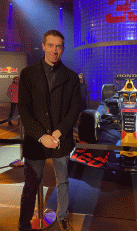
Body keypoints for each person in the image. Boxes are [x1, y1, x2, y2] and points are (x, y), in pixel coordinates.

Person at [18, 30, 81, 231]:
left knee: (62, 181)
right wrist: (41, 136)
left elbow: (74, 108)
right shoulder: (28, 74)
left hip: (60, 139)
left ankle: (62, 217)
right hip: (36, 140)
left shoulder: (71, 77)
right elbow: (24, 109)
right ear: (44, 46)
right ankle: (24, 223)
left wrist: (59, 131)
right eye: (51, 45)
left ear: (63, 49)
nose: (55, 50)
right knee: (30, 185)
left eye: (59, 46)